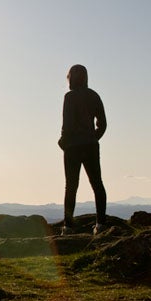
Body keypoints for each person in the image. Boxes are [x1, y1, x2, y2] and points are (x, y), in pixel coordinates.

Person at [58, 64, 107, 235]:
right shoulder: (94, 96)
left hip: (72, 147)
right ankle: (100, 224)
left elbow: (67, 124)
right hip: (91, 146)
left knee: (71, 186)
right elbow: (102, 123)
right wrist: (93, 138)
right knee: (97, 184)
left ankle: (69, 226)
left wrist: (63, 142)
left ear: (70, 78)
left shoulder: (69, 97)